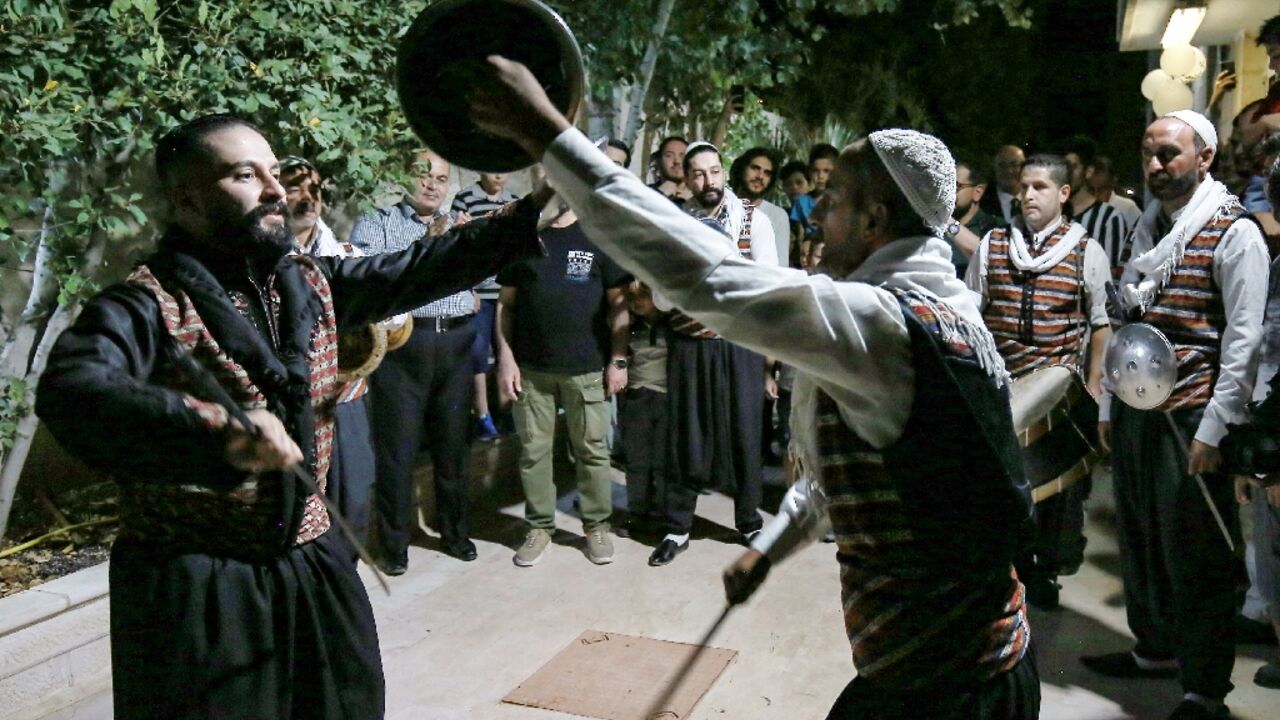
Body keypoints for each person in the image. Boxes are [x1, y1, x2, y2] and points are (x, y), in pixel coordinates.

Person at [468, 57, 1039, 719]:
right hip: (970, 670)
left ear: (875, 219)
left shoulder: (882, 325)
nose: (818, 212)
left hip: (942, 692)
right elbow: (858, 476)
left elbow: (704, 277)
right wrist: (771, 548)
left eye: (836, 201)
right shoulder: (947, 308)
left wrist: (547, 134)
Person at [34, 114, 542, 719]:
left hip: (311, 556)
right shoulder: (145, 304)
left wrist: (539, 208)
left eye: (274, 172)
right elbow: (75, 387)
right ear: (187, 198)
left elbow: (417, 267)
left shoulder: (307, 282)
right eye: (247, 175)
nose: (277, 190)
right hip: (200, 587)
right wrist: (214, 430)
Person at [1083, 110, 1269, 720]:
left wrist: (1214, 431)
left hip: (1191, 420)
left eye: (1171, 154)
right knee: (1142, 541)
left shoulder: (1232, 232)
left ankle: (1204, 691)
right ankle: (1153, 650)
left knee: (1197, 555)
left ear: (1205, 158)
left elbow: (1242, 344)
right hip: (1139, 412)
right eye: (1150, 154)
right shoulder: (1150, 232)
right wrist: (1110, 403)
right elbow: (1127, 323)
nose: (1157, 166)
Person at [966, 154, 1111, 609]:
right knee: (1000, 487)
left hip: (1056, 390)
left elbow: (1101, 323)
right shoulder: (994, 245)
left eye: (1041, 187)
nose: (1029, 195)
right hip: (999, 388)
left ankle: (1043, 572)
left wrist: (1092, 388)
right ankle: (1002, 568)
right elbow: (969, 312)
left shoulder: (1087, 251)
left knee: (1055, 493)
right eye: (1025, 186)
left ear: (1064, 194)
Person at [647, 141, 778, 567]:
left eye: (714, 172)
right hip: (689, 344)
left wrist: (702, 277)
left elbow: (767, 283)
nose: (708, 181)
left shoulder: (753, 221)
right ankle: (678, 526)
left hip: (738, 344)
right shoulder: (672, 225)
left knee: (744, 431)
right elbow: (661, 299)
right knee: (688, 433)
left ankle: (749, 520)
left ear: (725, 173)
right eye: (698, 174)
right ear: (686, 180)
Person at [350, 150, 482, 569]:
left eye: (441, 179)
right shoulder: (378, 221)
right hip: (404, 349)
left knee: (454, 449)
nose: (432, 184)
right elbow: (374, 277)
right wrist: (430, 242)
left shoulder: (461, 224)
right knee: (398, 453)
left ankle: (456, 533)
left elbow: (483, 279)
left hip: (457, 343)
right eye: (423, 175)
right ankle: (393, 547)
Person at [496, 200, 631, 567]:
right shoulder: (523, 239)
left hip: (587, 369)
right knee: (534, 452)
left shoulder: (599, 235)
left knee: (591, 451)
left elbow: (619, 303)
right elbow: (506, 305)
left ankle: (596, 526)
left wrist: (618, 360)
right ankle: (539, 527)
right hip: (532, 371)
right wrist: (506, 359)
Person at [280, 154, 386, 544]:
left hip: (348, 400)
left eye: (316, 190)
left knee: (356, 500)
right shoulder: (262, 259)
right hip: (295, 406)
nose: (309, 198)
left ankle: (345, 581)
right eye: (295, 188)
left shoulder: (346, 254)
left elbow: (391, 320)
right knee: (305, 506)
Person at [452, 171, 522, 442]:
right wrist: (469, 289)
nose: (499, 175)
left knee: (508, 351)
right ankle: (482, 416)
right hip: (479, 291)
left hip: (507, 290)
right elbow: (458, 246)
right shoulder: (466, 199)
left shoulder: (514, 201)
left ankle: (508, 414)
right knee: (478, 352)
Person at [616, 279, 669, 538]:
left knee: (662, 461)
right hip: (636, 398)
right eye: (632, 295)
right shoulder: (627, 327)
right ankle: (637, 512)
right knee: (636, 460)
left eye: (644, 294)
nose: (637, 301)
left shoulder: (671, 325)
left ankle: (660, 514)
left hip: (665, 398)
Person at [1063, 138, 1131, 280]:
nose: (1066, 174)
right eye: (1063, 168)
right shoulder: (1055, 214)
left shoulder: (1109, 218)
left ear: (1088, 172)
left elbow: (1110, 275)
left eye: (1072, 167)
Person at [730, 147, 790, 266]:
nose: (760, 176)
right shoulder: (722, 207)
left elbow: (781, 266)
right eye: (755, 168)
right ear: (742, 169)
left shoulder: (778, 216)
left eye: (767, 173)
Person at [944, 158, 1000, 279]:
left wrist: (945, 220)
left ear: (978, 192)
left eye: (956, 186)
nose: (947, 192)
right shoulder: (931, 227)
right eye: (945, 185)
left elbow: (987, 256)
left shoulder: (995, 227)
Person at [1088, 155, 1142, 227]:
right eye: (1092, 190)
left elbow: (1142, 232)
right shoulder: (1084, 208)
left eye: (1102, 190)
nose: (1097, 195)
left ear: (1113, 180)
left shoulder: (1127, 207)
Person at [982, 144, 1026, 225]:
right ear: (995, 169)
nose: (1009, 170)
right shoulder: (982, 202)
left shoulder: (1037, 199)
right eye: (1002, 165)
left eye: (1014, 164)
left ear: (1024, 168)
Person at [649, 135, 692, 206]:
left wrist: (692, 202)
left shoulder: (701, 196)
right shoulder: (645, 193)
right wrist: (659, 194)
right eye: (669, 155)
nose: (677, 161)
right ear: (659, 161)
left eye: (682, 156)